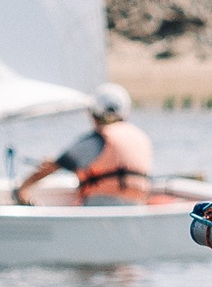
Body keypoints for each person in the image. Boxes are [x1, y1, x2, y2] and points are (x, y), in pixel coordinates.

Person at [17, 84, 153, 206]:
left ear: (94, 114)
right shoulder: (141, 136)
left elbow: (55, 165)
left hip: (103, 207)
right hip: (137, 205)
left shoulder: (96, 140)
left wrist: (23, 188)